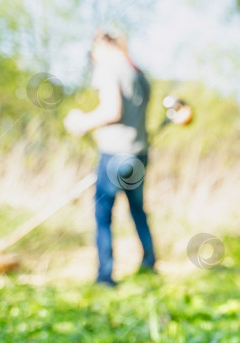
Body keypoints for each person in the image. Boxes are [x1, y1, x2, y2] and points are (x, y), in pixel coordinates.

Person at [64, 29, 155, 287]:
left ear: (102, 45)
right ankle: (150, 264)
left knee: (103, 215)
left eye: (93, 50)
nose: (92, 56)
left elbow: (112, 110)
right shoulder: (137, 72)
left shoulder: (108, 67)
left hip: (115, 154)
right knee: (138, 210)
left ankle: (105, 276)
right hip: (139, 153)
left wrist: (82, 122)